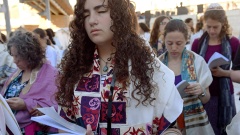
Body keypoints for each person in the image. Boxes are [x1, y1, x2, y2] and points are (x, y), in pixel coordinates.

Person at [55, 0, 183, 135]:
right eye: (86, 15)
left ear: (119, 15)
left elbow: (171, 128)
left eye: (101, 11)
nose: (92, 20)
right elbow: (64, 125)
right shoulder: (75, 70)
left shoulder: (149, 68)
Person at [159, 19, 214, 135]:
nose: (174, 48)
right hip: (167, 125)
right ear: (164, 40)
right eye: (169, 43)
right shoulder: (158, 65)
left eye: (179, 43)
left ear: (186, 40)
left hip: (195, 124)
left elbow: (206, 99)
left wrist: (201, 90)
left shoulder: (197, 62)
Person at [191, 3, 240, 135]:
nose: (212, 31)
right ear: (204, 24)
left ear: (223, 24)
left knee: (226, 129)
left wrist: (224, 73)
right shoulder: (197, 43)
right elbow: (191, 68)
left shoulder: (233, 42)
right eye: (209, 27)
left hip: (225, 95)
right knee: (208, 130)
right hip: (205, 95)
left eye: (216, 27)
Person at [0, 31, 58, 134]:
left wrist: (26, 104)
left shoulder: (51, 75)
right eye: (13, 56)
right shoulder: (17, 72)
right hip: (8, 129)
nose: (14, 61)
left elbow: (55, 109)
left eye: (17, 56)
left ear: (29, 54)